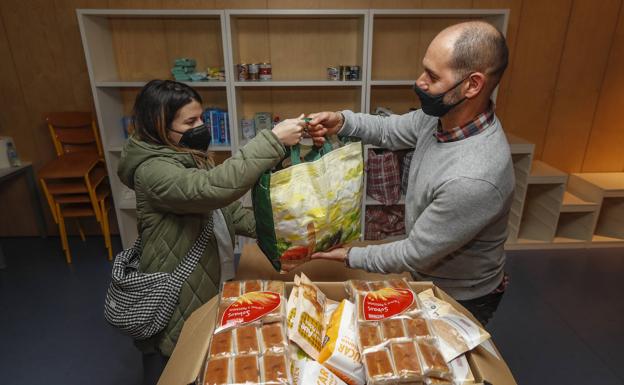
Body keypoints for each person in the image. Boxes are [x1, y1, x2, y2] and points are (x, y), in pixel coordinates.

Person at [307, 21, 513, 326]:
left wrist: (350, 256)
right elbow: (391, 129)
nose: (419, 83)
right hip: (427, 273)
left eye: (432, 76)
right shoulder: (442, 117)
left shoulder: (472, 178)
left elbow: (415, 253)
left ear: (472, 85)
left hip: (459, 294)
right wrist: (342, 122)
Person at [117, 80, 304, 384]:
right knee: (174, 358)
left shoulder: (186, 155)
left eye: (201, 117)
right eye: (190, 121)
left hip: (209, 276)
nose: (201, 126)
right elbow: (213, 190)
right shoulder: (152, 171)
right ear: (159, 125)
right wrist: (272, 140)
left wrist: (280, 236)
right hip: (178, 290)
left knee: (204, 353)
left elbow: (226, 211)